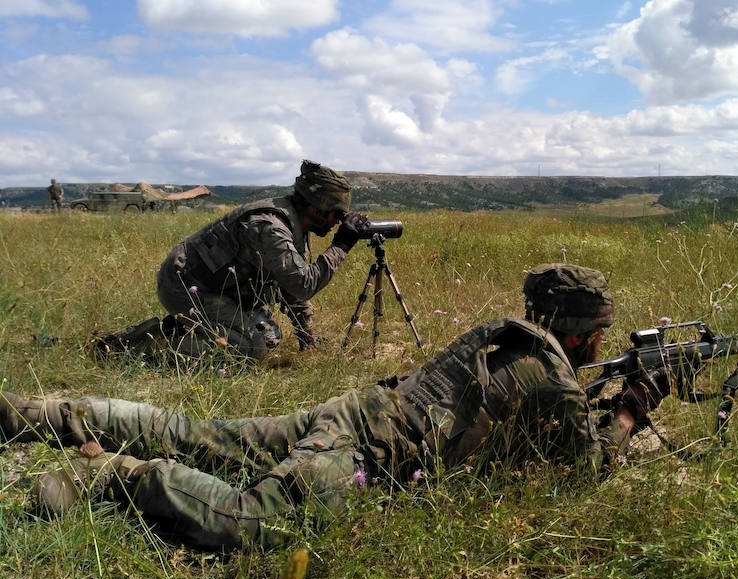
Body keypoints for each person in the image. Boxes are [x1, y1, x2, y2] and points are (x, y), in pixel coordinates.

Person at [1, 264, 670, 550]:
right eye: (602, 333)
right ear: (584, 332)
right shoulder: (552, 375)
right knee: (248, 522)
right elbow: (586, 467)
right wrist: (632, 408)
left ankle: (35, 415)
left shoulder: (510, 336)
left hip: (353, 411)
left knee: (194, 433)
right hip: (359, 455)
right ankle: (112, 476)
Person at [96, 160, 370, 360]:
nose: (338, 222)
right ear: (315, 208)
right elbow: (302, 284)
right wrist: (342, 244)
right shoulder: (273, 228)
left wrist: (306, 336)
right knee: (251, 348)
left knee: (271, 336)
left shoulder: (296, 223)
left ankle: (177, 329)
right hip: (187, 288)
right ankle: (146, 344)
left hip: (216, 289)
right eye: (337, 215)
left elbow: (288, 286)